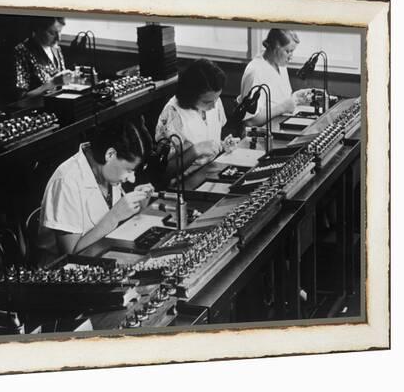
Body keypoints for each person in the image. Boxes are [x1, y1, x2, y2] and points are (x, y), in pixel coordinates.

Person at [37, 120, 155, 258]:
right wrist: (115, 216)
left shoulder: (106, 171)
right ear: (110, 154)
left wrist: (136, 208)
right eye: (129, 170)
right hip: (66, 270)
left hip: (103, 253)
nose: (132, 179)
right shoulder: (67, 181)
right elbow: (70, 255)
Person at [155, 58, 239, 177]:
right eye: (207, 102)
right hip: (186, 180)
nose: (214, 105)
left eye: (217, 98)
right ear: (190, 95)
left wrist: (222, 146)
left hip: (212, 170)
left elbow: (208, 141)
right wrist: (195, 150)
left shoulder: (214, 101)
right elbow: (165, 170)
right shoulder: (173, 112)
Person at [239, 29, 313, 126]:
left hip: (280, 126)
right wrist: (283, 107)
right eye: (288, 51)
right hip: (261, 134)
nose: (291, 57)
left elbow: (280, 101)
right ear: (276, 47)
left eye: (292, 51)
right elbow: (250, 121)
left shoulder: (280, 65)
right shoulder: (255, 71)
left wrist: (295, 98)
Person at [13, 16, 73, 100]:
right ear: (38, 29)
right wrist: (52, 83)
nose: (59, 38)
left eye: (60, 32)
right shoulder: (22, 51)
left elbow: (62, 86)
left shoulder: (56, 49)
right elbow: (21, 98)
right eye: (52, 33)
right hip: (35, 108)